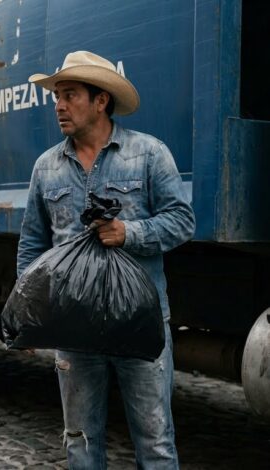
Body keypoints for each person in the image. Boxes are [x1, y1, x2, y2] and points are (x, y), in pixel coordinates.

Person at [19, 51, 195, 469]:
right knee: (79, 440)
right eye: (57, 96)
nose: (59, 105)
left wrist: (128, 233)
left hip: (140, 324)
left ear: (101, 101)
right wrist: (29, 315)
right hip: (73, 328)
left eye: (70, 95)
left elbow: (182, 221)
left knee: (155, 441)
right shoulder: (46, 167)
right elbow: (32, 244)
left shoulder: (148, 154)